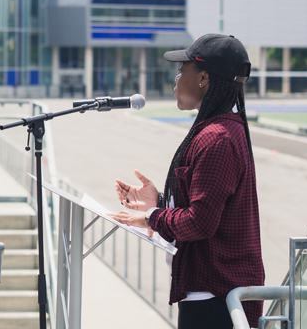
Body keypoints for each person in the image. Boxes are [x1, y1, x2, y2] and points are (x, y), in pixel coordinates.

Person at [108, 34, 265, 329]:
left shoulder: (216, 138)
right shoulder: (219, 130)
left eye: (182, 71)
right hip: (214, 293)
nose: (176, 80)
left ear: (203, 77)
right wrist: (161, 202)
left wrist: (151, 217)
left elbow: (200, 222)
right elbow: (207, 206)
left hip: (216, 298)